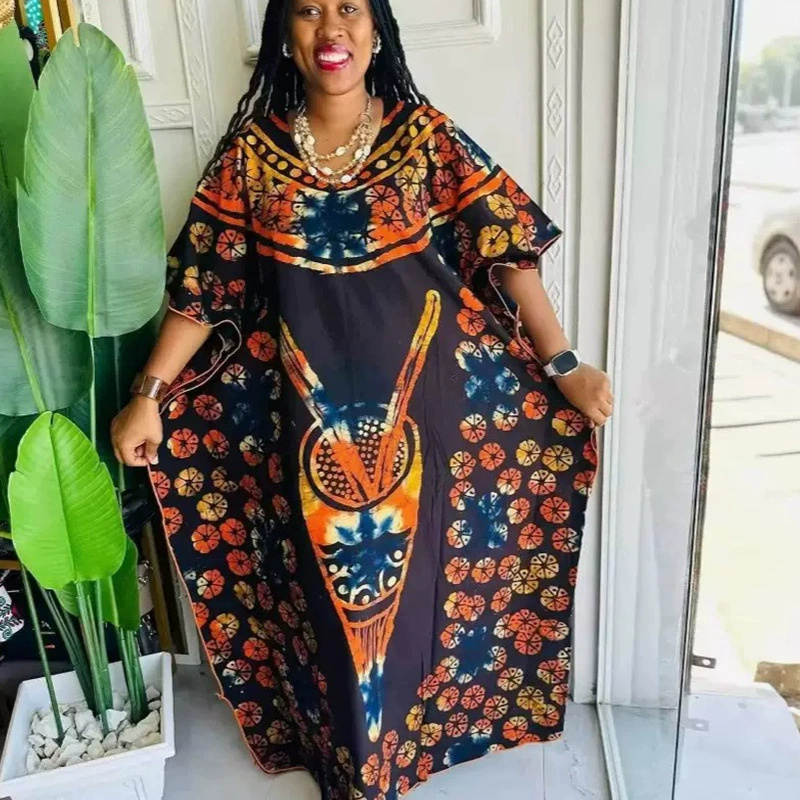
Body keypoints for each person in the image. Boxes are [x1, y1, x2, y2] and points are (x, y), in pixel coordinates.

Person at [111, 0, 613, 796]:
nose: (331, 29)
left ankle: (413, 751)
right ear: (286, 36)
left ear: (377, 30)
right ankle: (352, 768)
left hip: (430, 418)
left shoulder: (426, 139)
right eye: (309, 11)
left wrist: (564, 364)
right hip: (302, 429)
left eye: (349, 8)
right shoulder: (251, 159)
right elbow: (203, 291)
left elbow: (509, 255)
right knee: (329, 603)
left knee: (424, 594)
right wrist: (150, 392)